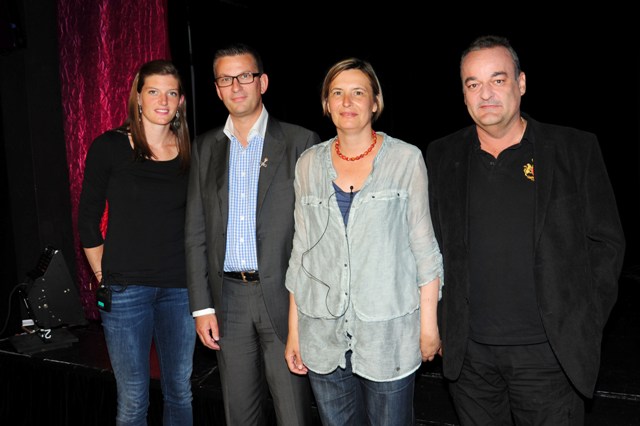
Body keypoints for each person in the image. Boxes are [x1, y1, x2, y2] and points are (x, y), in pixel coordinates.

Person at [425, 35, 626, 425]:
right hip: (470, 361)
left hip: (549, 358)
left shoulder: (574, 149)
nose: (485, 94)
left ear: (521, 83)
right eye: (473, 84)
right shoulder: (441, 155)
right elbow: (428, 245)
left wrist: (580, 321)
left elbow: (607, 245)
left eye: (497, 80)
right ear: (463, 94)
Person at [284, 57, 444, 426]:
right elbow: (301, 255)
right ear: (326, 104)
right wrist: (295, 333)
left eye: (358, 93)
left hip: (389, 336)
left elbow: (425, 249)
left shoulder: (406, 159)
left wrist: (429, 327)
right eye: (337, 93)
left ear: (375, 102)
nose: (347, 102)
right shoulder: (308, 164)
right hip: (322, 334)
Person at [184, 42, 319, 425]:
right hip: (228, 303)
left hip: (285, 300)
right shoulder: (205, 148)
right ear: (216, 89)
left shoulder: (300, 142)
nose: (236, 86)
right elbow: (195, 232)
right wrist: (202, 306)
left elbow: (315, 235)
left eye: (244, 76)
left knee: (293, 414)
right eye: (226, 79)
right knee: (239, 416)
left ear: (262, 82)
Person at [78, 59, 195, 425]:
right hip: (126, 290)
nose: (163, 100)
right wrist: (103, 275)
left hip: (181, 289)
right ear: (138, 98)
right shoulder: (109, 146)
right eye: (154, 91)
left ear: (180, 101)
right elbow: (87, 218)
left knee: (180, 390)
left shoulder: (191, 152)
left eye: (171, 92)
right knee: (133, 400)